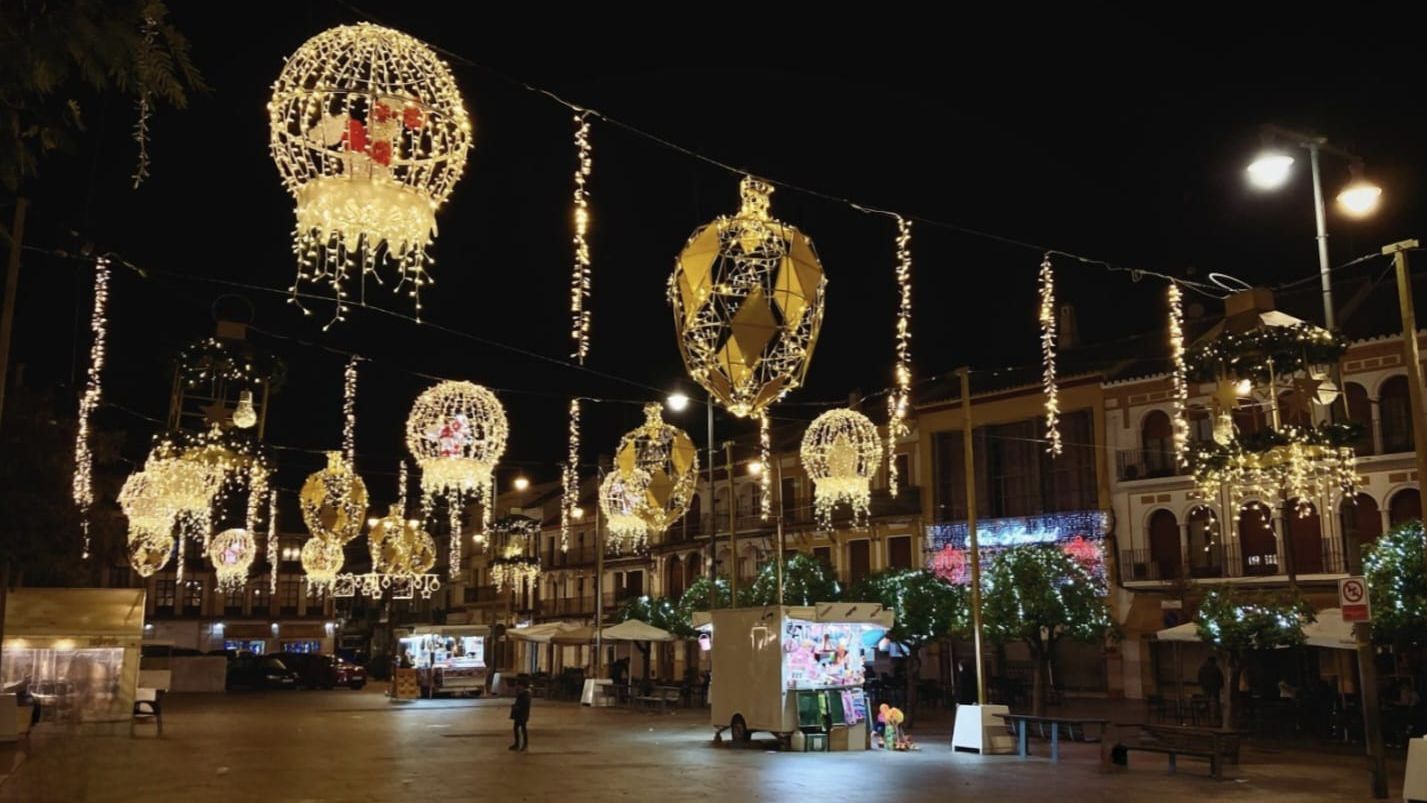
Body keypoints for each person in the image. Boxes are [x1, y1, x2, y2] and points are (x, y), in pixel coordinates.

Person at [510, 679, 531, 752]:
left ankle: (524, 744)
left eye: (519, 685)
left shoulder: (526, 694)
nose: (517, 687)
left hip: (522, 715)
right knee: (516, 728)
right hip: (519, 714)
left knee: (523, 729)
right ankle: (517, 744)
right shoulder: (522, 693)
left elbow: (524, 704)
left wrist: (516, 707)